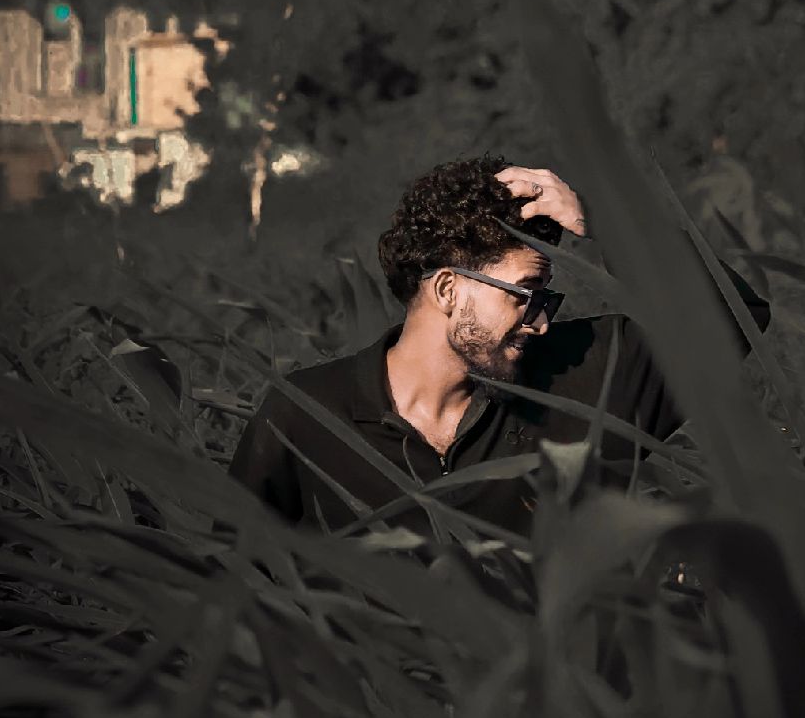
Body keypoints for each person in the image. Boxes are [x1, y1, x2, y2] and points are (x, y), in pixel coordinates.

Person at [227, 154, 770, 541]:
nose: (541, 324)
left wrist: (606, 222)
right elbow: (232, 579)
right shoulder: (305, 415)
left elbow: (733, 318)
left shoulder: (586, 377)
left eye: (546, 299)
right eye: (525, 295)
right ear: (447, 289)